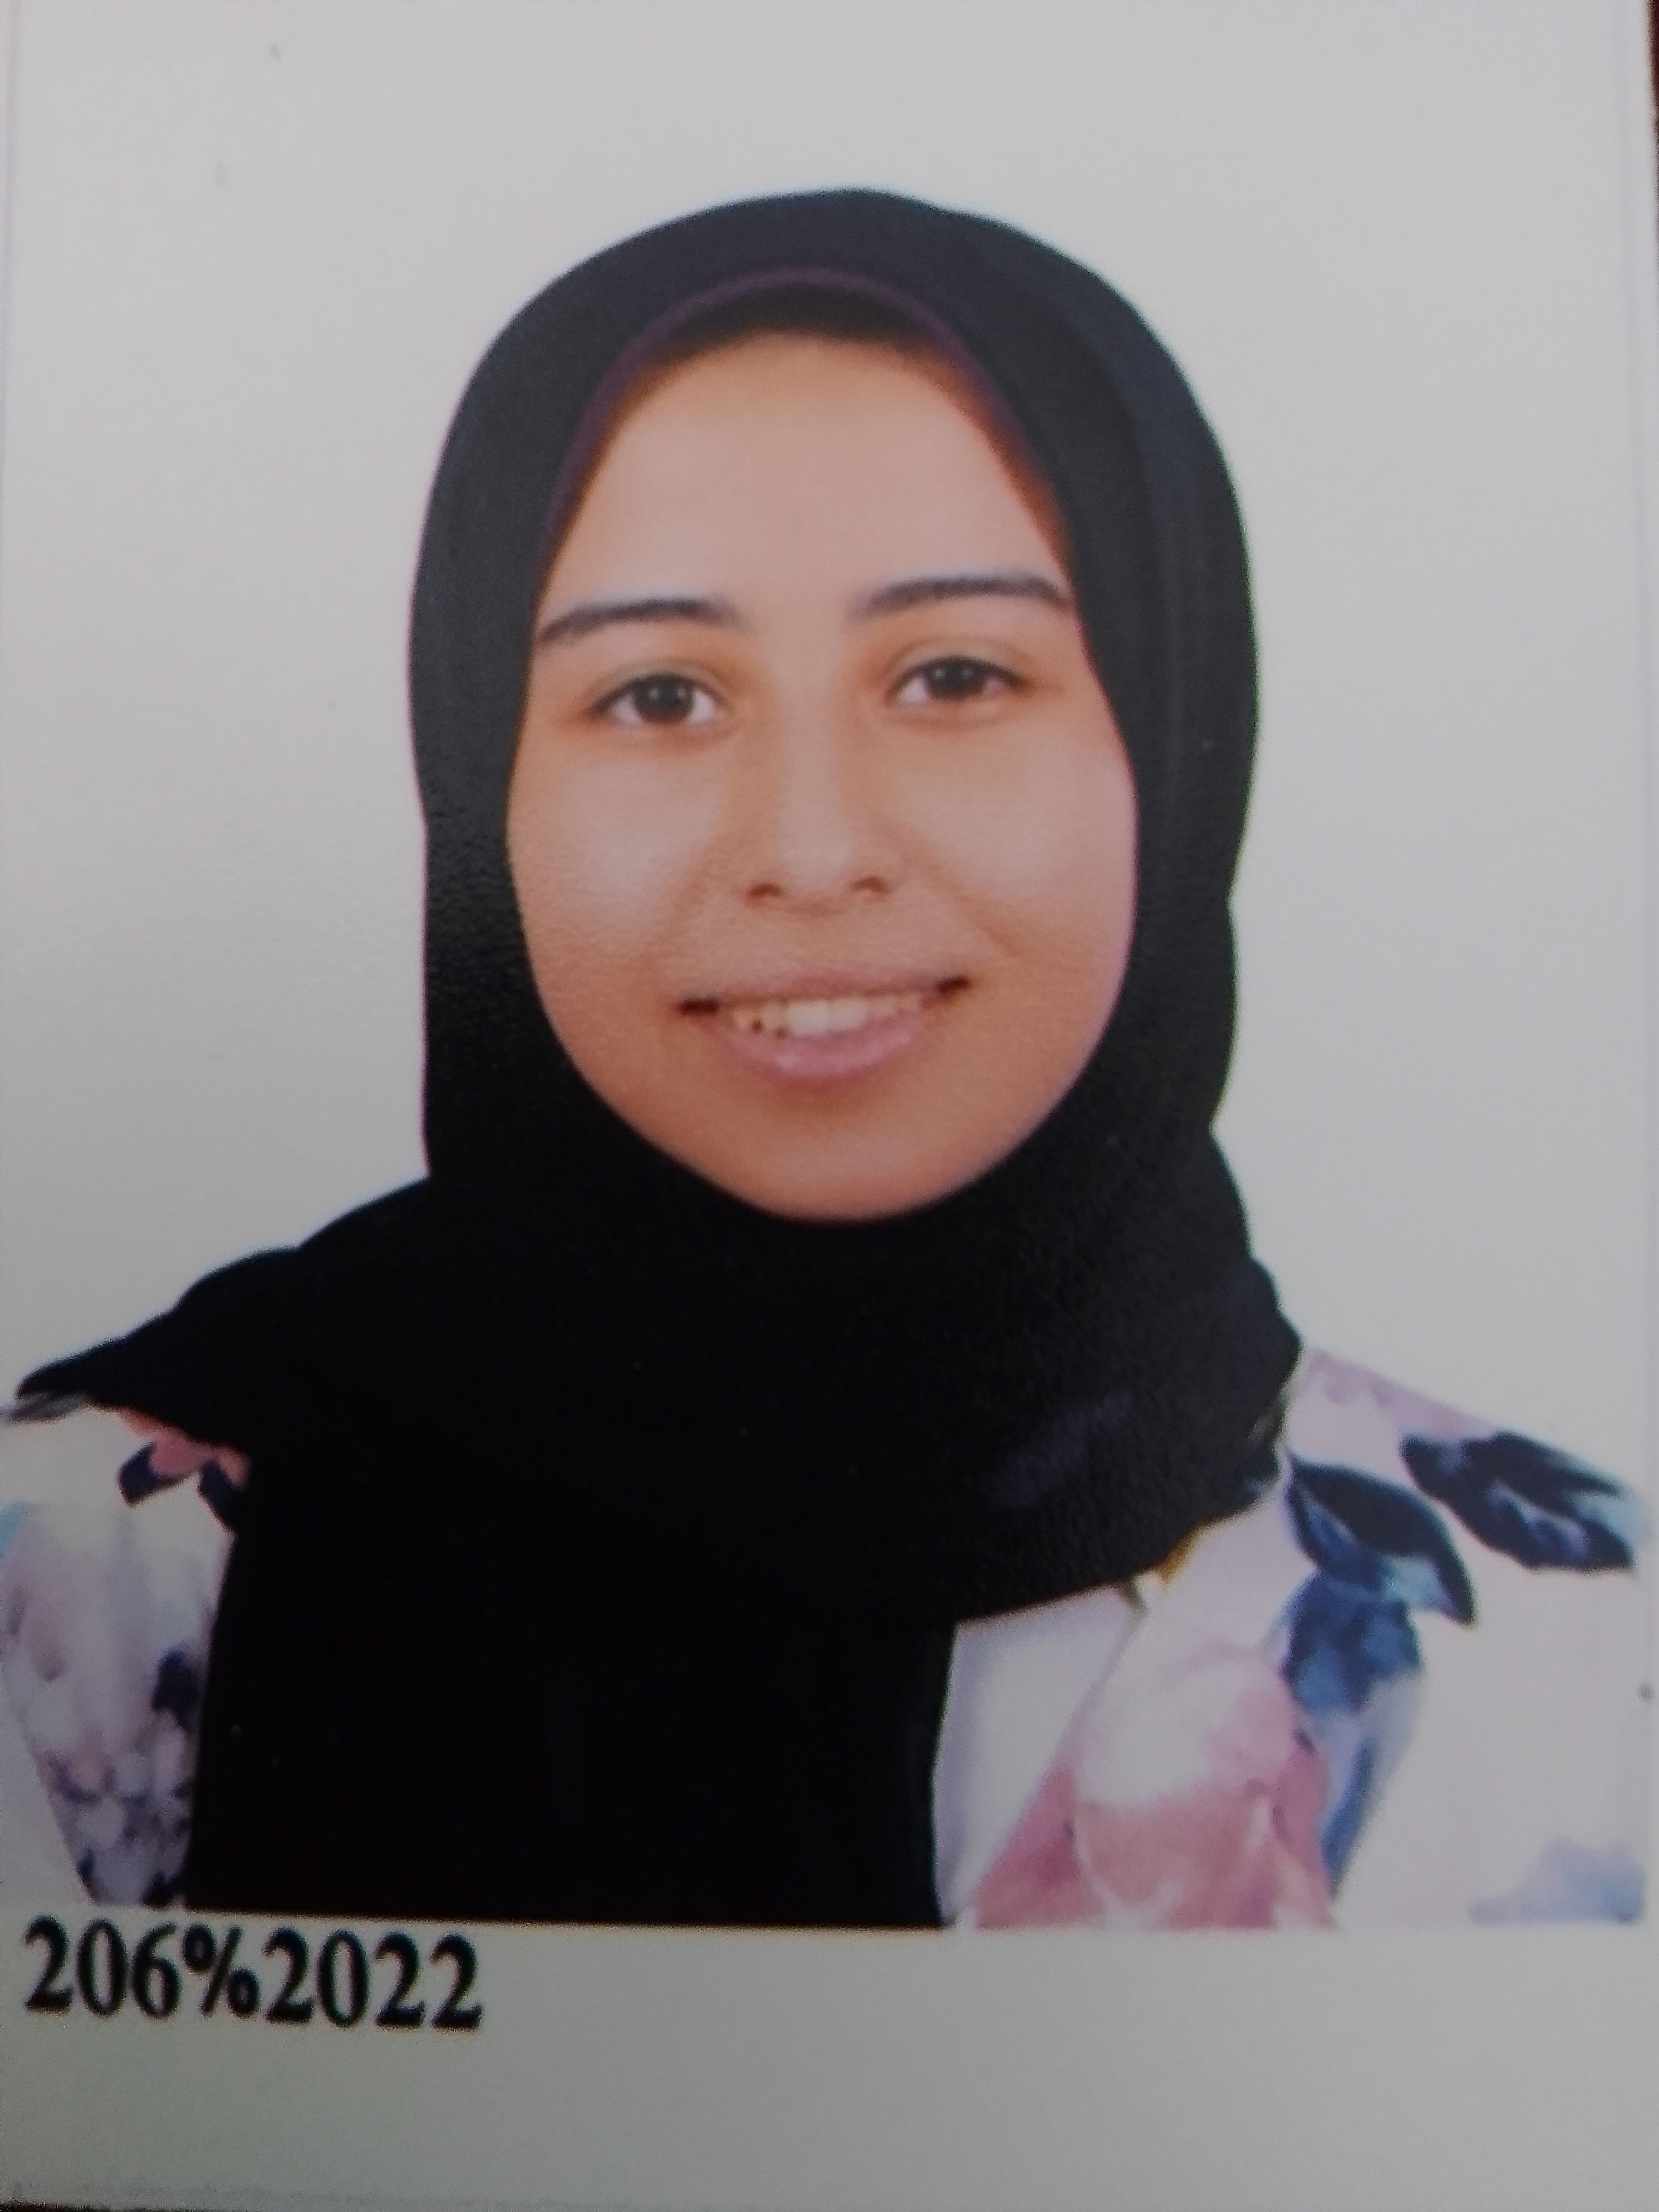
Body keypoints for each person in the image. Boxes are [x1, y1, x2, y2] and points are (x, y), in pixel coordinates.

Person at [0, 190, 1645, 1930]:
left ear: (1173, 747)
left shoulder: (1583, 1674)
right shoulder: (82, 1600)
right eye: (660, 697)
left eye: (954, 676)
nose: (809, 848)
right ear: (482, 783)